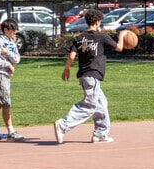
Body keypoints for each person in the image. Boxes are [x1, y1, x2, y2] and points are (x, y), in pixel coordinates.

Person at [54, 9, 127, 144]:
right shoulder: (102, 37)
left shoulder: (79, 37)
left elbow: (71, 55)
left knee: (101, 103)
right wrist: (122, 35)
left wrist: (66, 69)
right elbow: (119, 48)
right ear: (98, 21)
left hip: (84, 75)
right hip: (92, 75)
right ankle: (63, 125)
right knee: (89, 105)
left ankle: (100, 134)